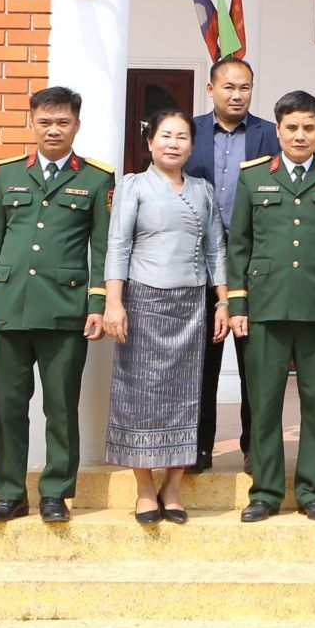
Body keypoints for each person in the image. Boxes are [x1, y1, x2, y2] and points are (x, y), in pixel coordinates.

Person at [0, 86, 112, 524]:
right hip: (9, 307)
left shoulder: (96, 179)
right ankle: (10, 493)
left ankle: (55, 493)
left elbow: (102, 250)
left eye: (62, 122)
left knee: (60, 406)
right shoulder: (8, 174)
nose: (53, 130)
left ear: (77, 126)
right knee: (10, 406)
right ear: (30, 123)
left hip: (65, 310)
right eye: (45, 122)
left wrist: (97, 303)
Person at [227, 91, 315, 524]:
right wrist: (237, 304)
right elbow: (239, 244)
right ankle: (265, 492)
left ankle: (311, 491)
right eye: (292, 127)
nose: (300, 135)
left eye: (308, 127)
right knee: (263, 405)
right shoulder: (253, 177)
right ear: (278, 130)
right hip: (265, 306)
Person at [102, 110, 228, 525]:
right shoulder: (133, 186)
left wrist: (222, 302)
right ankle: (144, 489)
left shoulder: (203, 190)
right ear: (151, 142)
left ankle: (172, 488)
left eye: (182, 137)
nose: (174, 144)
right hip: (143, 301)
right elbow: (118, 245)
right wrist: (114, 303)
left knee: (187, 396)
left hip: (192, 304)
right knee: (140, 396)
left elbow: (216, 249)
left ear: (192, 145)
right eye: (166, 136)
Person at [185, 57, 278, 476]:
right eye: (228, 87)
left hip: (254, 262)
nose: (237, 95)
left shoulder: (270, 135)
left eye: (245, 87)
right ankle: (198, 447)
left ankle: (254, 448)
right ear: (211, 89)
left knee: (255, 364)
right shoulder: (188, 132)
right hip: (198, 263)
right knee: (201, 363)